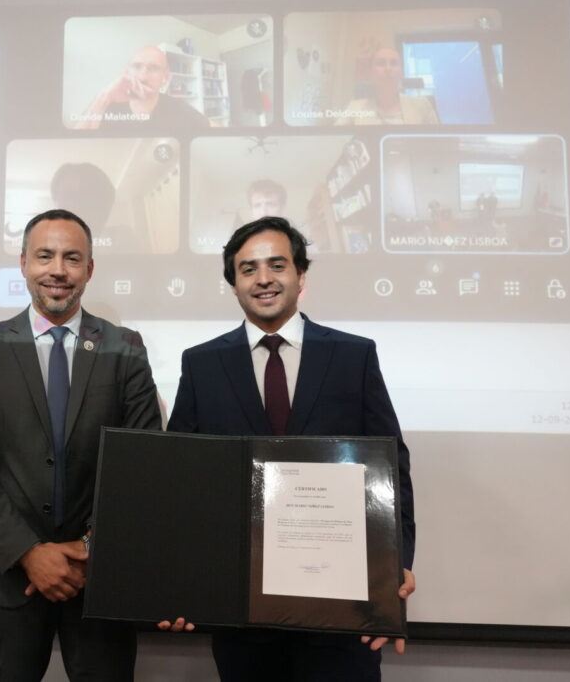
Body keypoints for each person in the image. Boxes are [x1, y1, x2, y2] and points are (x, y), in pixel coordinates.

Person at [159, 216, 416, 681]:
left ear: (301, 276)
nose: (263, 279)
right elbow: (182, 480)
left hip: (341, 611)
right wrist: (180, 581)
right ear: (233, 284)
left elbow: (391, 467)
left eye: (277, 265)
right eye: (247, 269)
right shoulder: (201, 364)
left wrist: (395, 566)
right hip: (241, 612)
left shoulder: (353, 356)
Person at [0, 208, 162, 681]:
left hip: (99, 581)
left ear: (90, 268)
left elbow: (145, 468)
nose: (58, 270)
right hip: (7, 580)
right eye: (45, 256)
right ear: (23, 263)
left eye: (72, 258)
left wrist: (89, 547)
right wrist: (30, 553)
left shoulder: (126, 349)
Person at [75, 45, 211, 131]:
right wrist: (105, 97)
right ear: (127, 73)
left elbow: (212, 127)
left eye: (153, 68)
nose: (142, 77)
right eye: (136, 66)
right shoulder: (104, 103)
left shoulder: (179, 109)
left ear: (165, 78)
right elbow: (76, 144)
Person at [337, 46, 439, 126]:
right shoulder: (354, 108)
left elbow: (439, 144)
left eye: (394, 63)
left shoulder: (423, 106)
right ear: (371, 73)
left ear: (401, 72)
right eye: (381, 63)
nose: (388, 68)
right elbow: (334, 140)